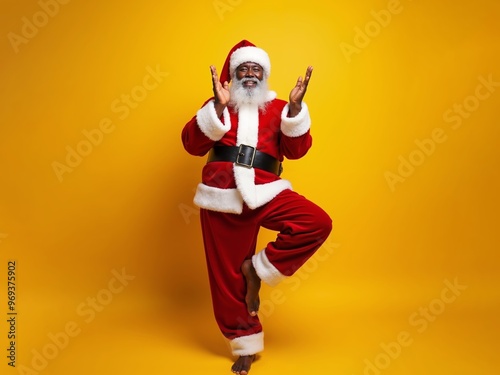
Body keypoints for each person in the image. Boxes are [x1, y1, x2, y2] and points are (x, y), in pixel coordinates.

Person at [181, 40, 333, 375]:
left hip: (265, 188)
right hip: (221, 191)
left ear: (264, 75)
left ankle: (258, 268)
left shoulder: (280, 107)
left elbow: (296, 151)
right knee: (225, 277)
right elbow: (192, 144)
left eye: (256, 69)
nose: (250, 74)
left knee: (316, 222)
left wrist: (294, 110)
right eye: (243, 69)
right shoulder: (218, 104)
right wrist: (217, 109)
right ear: (232, 75)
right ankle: (244, 344)